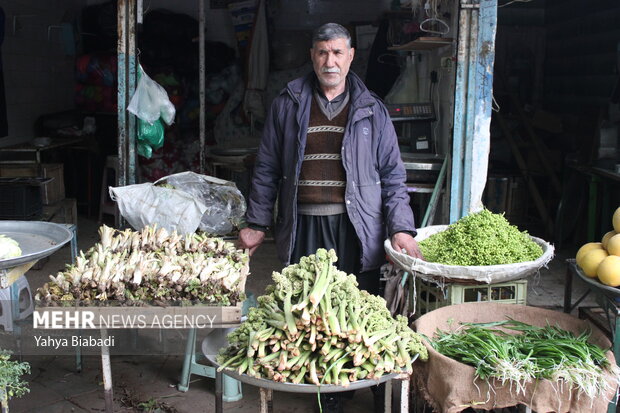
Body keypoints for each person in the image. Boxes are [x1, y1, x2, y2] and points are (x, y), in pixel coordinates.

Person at [238, 22, 422, 412]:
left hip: (358, 226)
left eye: (338, 52)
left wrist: (401, 228)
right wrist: (256, 223)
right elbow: (267, 167)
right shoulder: (287, 102)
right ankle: (329, 390)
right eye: (322, 52)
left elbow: (392, 175)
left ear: (351, 55)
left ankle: (372, 380)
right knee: (313, 311)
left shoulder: (372, 108)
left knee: (361, 308)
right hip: (303, 223)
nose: (330, 61)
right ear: (312, 56)